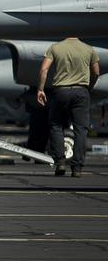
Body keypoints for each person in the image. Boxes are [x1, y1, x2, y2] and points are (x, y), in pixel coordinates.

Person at [37, 37, 100, 177]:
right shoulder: (89, 49)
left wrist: (40, 89)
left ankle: (60, 162)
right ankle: (77, 168)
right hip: (81, 91)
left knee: (56, 125)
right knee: (81, 130)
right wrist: (88, 87)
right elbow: (96, 72)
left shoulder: (55, 47)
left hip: (61, 91)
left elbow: (43, 70)